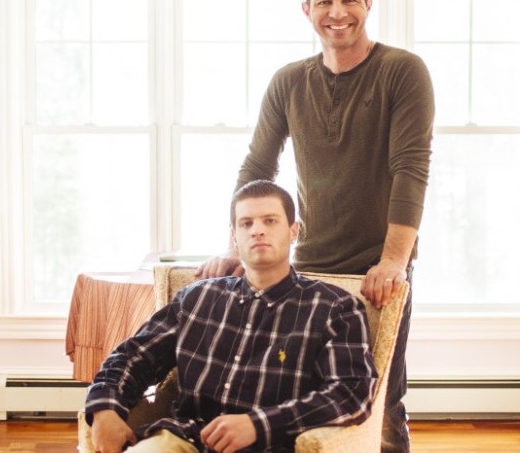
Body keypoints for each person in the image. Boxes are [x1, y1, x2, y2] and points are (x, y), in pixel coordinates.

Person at [197, 0, 434, 452]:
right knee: (305, 398)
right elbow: (256, 168)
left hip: (377, 268)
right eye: (324, 1)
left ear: (369, 4)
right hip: (307, 270)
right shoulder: (289, 81)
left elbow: (410, 169)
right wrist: (236, 248)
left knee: (381, 399)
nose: (337, 12)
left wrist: (392, 261)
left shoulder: (402, 71)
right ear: (307, 10)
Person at [86, 180, 377, 453]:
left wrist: (258, 425)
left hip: (270, 444)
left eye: (270, 221)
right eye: (246, 223)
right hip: (183, 437)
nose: (257, 230)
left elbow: (350, 392)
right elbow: (134, 356)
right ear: (234, 236)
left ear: (293, 231)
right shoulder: (196, 299)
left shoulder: (335, 307)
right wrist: (104, 408)